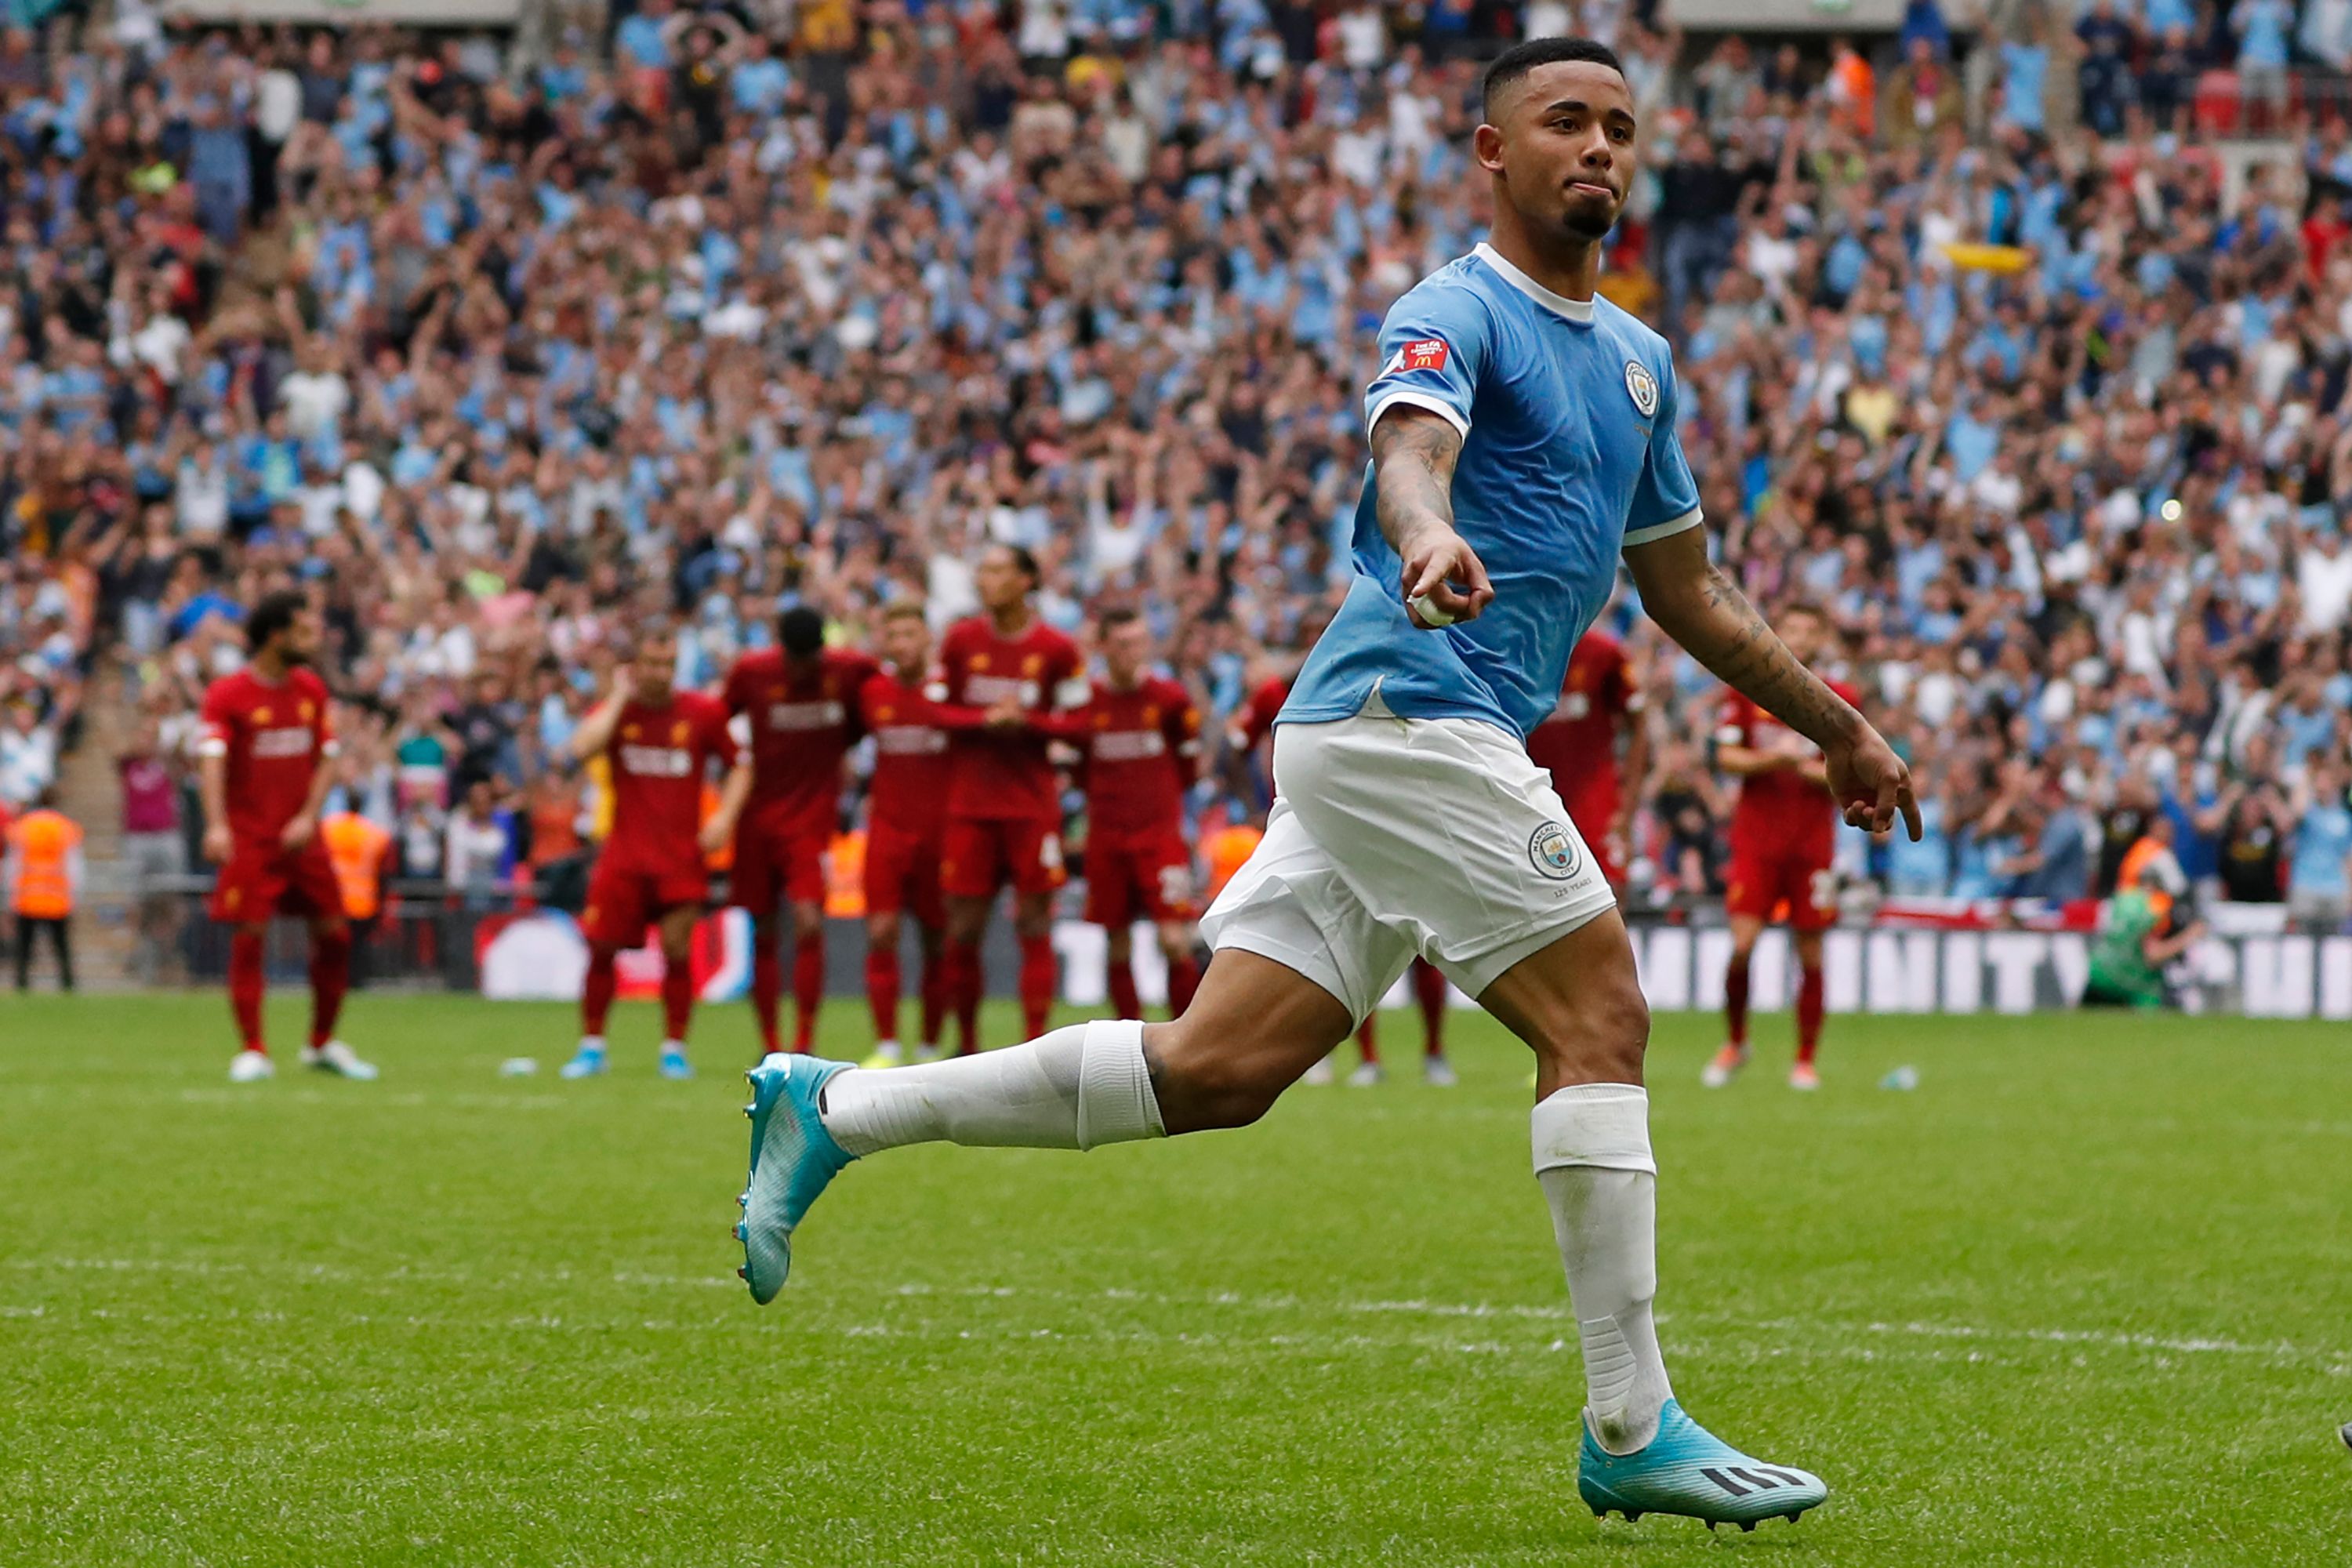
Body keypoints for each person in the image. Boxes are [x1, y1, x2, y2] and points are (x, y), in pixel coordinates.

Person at [731, 38, 1916, 1532]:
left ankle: (837, 1108)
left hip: (1388, 738)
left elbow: (1692, 589)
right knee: (1602, 1015)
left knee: (1221, 1071)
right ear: (1494, 153)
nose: (1600, 147)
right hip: (1406, 712)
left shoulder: (1639, 363)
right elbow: (1408, 453)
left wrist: (1841, 725)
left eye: (1620, 125)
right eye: (1565, 122)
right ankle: (1632, 1423)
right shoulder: (1455, 307)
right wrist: (1421, 534)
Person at [197, 591, 377, 1082]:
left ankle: (322, 1042)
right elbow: (211, 761)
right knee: (250, 938)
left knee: (336, 934)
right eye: (303, 631)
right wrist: (216, 824)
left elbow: (329, 756)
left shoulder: (311, 690)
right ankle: (253, 1048)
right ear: (276, 637)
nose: (312, 640)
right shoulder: (228, 695)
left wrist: (309, 815)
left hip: (304, 837)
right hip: (251, 838)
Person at [561, 625, 750, 1080]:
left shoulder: (702, 713)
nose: (661, 673)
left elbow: (741, 765)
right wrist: (622, 697)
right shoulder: (618, 714)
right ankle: (592, 1046)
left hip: (679, 857)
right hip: (624, 855)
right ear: (635, 667)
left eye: (669, 664)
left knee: (677, 949)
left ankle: (674, 1048)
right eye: (652, 663)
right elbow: (581, 747)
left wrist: (725, 817)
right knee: (602, 947)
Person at [931, 544, 1087, 1051]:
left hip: (1030, 807)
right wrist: (984, 720)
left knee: (1034, 923)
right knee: (963, 930)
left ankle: (1034, 1047)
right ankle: (967, 1046)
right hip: (970, 807)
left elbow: (1082, 724)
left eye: (997, 569)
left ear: (1025, 580)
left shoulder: (1058, 650)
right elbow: (936, 712)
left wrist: (1029, 723)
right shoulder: (960, 642)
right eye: (982, 569)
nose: (985, 579)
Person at [1703, 603, 1860, 1092]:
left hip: (1813, 844)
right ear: (1777, 631)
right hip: (1756, 840)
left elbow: (1852, 768)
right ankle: (1735, 1042)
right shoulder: (1748, 687)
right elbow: (1726, 757)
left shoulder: (1840, 697)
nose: (1799, 635)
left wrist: (1806, 768)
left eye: (1809, 629)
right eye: (1791, 626)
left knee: (1811, 953)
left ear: (1822, 638)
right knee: (1742, 946)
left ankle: (1806, 1059)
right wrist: (1775, 758)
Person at [723, 607, 878, 1057]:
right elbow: (716, 722)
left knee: (810, 923)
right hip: (757, 818)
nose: (805, 669)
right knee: (764, 928)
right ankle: (770, 1044)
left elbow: (877, 704)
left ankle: (804, 1041)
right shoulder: (752, 673)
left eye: (812, 659)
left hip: (812, 820)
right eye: (797, 661)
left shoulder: (848, 671)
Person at [1074, 608, 1204, 1022]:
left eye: (1140, 642)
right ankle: (1129, 1039)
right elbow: (1078, 768)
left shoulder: (1169, 700)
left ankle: (1185, 1037)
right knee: (1116, 940)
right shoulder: (1088, 703)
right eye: (1124, 644)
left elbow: (1188, 769)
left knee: (1173, 940)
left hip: (1159, 838)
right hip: (1107, 838)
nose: (1134, 652)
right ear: (1104, 648)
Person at [855, 603, 951, 1066]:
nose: (902, 645)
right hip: (888, 832)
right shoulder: (872, 693)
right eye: (894, 636)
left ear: (927, 639)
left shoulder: (948, 694)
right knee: (881, 932)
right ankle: (888, 1044)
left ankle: (931, 1045)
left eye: (911, 634)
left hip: (940, 834)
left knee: (937, 938)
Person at [1526, 628, 1648, 888]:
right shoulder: (1513, 649)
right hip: (1530, 796)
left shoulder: (1603, 652)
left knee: (1610, 887)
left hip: (1594, 799)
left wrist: (1627, 808)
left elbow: (1638, 722)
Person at [2081, 884, 2207, 1009]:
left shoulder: (2122, 898)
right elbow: (2152, 955)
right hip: (2134, 984)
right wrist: (2189, 936)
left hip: (2099, 973)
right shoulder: (2156, 906)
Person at [4, 789, 82, 991]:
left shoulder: (22, 827)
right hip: (57, 897)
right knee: (61, 945)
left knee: (25, 946)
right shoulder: (65, 827)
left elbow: (14, 864)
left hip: (28, 896)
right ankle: (67, 983)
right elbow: (74, 866)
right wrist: (75, 895)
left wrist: (11, 894)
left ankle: (21, 983)